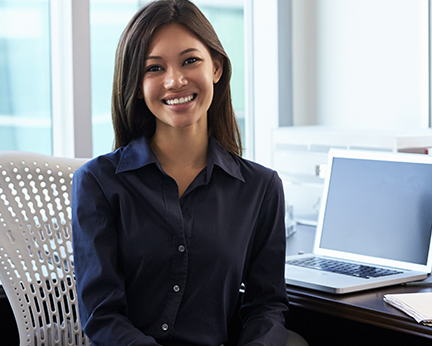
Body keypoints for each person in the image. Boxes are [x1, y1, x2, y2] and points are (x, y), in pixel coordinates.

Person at [71, 1, 289, 345]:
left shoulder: (260, 188)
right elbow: (101, 315)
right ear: (137, 83)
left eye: (191, 61)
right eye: (154, 68)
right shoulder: (98, 182)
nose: (175, 80)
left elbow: (267, 306)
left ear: (216, 67)